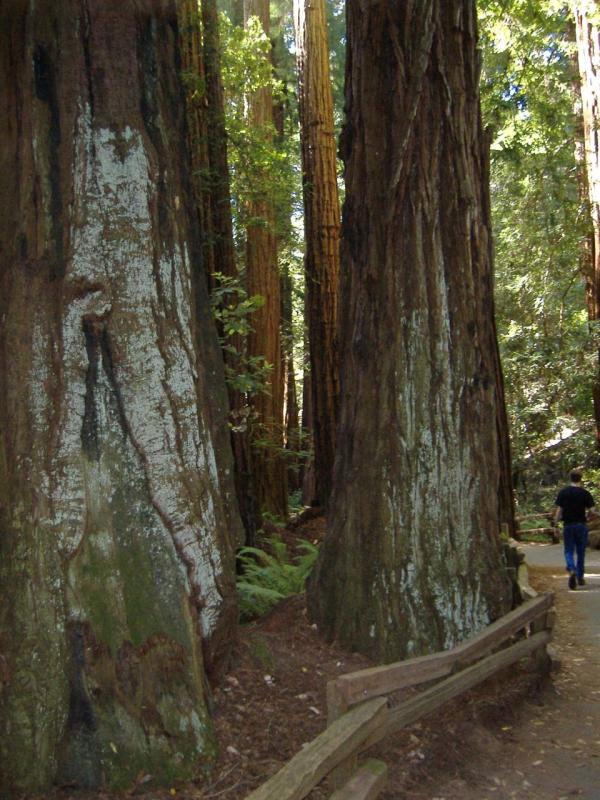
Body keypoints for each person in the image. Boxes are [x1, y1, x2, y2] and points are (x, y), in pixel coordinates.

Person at [554, 470, 597, 589]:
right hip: (581, 525)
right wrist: (589, 516)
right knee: (581, 551)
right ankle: (580, 576)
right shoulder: (585, 493)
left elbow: (559, 510)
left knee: (568, 550)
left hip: (568, 525)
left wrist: (555, 525)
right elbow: (592, 511)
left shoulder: (563, 492)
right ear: (580, 479)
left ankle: (571, 568)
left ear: (570, 478)